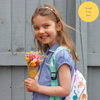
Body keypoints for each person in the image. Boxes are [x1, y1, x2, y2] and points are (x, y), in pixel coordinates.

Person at [25, 4, 80, 100]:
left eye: (46, 26)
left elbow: (65, 90)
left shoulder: (61, 55)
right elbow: (40, 80)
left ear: (58, 26)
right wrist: (33, 84)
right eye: (36, 28)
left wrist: (37, 88)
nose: (41, 31)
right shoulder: (48, 53)